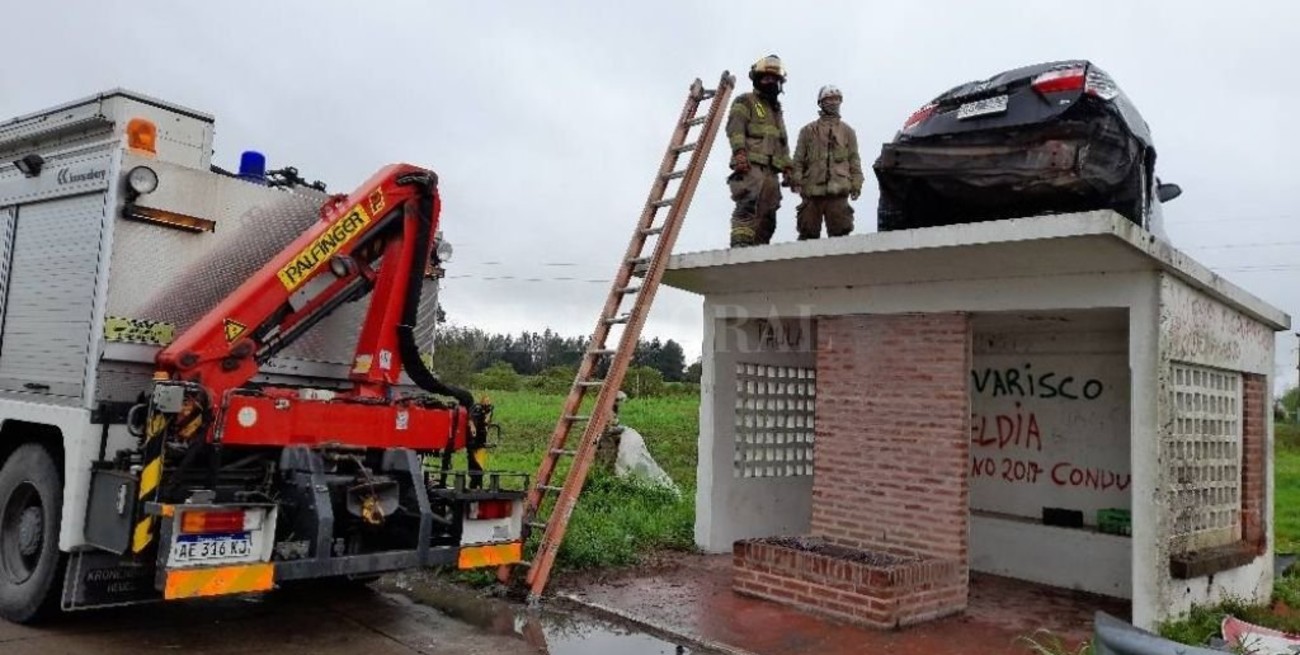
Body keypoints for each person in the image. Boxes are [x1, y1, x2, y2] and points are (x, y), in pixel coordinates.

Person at [725, 54, 795, 247]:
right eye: (766, 77)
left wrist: (788, 168)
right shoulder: (746, 101)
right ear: (757, 78)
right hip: (751, 165)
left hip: (772, 171)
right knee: (748, 203)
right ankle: (740, 247)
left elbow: (783, 142)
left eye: (774, 79)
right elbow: (735, 128)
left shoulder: (776, 110)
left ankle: (758, 251)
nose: (770, 81)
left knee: (769, 214)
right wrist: (739, 152)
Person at [791, 85, 863, 240]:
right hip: (811, 192)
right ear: (821, 102)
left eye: (837, 99)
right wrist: (796, 180)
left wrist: (857, 184)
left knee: (841, 236)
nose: (834, 102)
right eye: (829, 99)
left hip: (838, 192)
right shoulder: (808, 131)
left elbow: (854, 161)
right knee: (807, 234)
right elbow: (798, 160)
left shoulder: (848, 131)